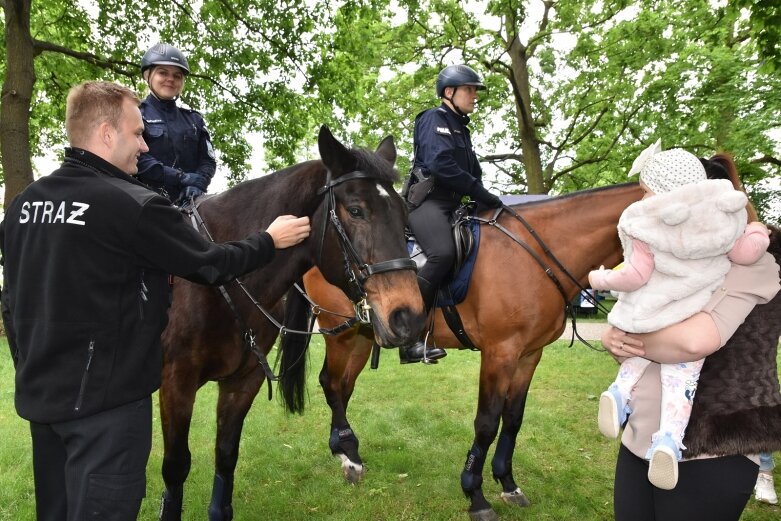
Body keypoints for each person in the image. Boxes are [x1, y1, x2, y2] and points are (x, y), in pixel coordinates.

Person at [0, 81, 311, 521]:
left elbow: (11, 300)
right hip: (107, 408)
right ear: (107, 134)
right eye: (137, 133)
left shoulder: (24, 204)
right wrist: (269, 239)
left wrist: (28, 364)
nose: (144, 147)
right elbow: (211, 265)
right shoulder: (133, 204)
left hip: (41, 400)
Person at [601, 152, 781, 521]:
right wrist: (617, 338)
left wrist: (632, 340)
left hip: (715, 445)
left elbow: (694, 341)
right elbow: (634, 315)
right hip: (642, 437)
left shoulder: (755, 263)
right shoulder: (667, 254)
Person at [401, 64, 503, 364]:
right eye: (469, 89)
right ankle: (408, 337)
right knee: (442, 254)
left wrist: (488, 201)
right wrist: (482, 193)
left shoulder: (461, 128)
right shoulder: (434, 118)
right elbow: (442, 165)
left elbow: (471, 174)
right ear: (449, 92)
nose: (475, 96)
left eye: (475, 90)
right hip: (429, 203)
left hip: (455, 205)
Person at [137, 43, 214, 206]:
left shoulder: (195, 120)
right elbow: (136, 157)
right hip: (144, 202)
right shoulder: (135, 113)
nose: (170, 79)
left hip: (191, 204)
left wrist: (197, 184)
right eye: (163, 73)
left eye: (177, 76)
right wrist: (181, 177)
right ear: (147, 75)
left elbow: (208, 161)